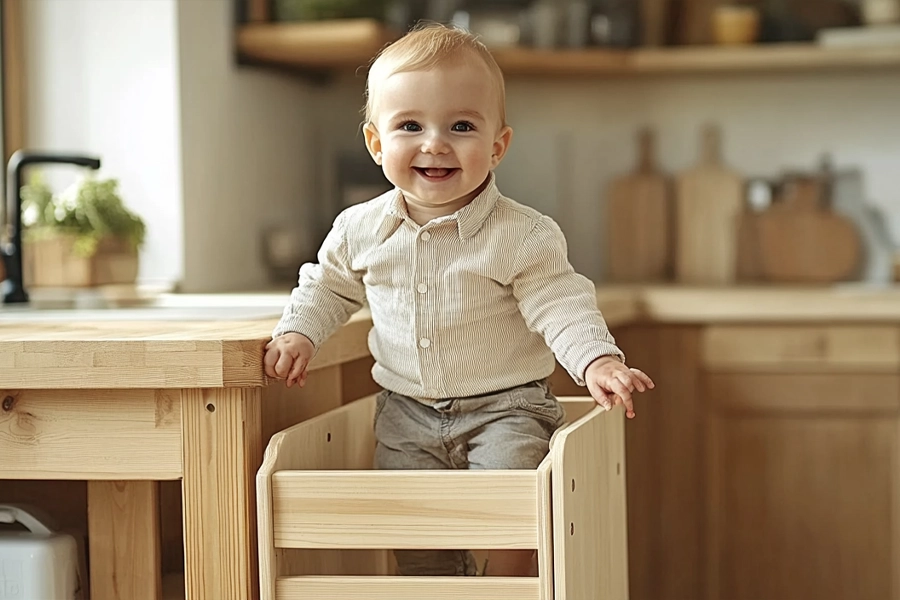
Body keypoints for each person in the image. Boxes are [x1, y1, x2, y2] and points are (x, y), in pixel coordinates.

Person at [264, 22, 654, 578]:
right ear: (377, 144)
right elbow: (327, 285)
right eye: (409, 126)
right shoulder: (359, 229)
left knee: (519, 513)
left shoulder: (524, 234)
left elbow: (560, 302)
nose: (435, 143)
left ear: (497, 146)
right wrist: (298, 332)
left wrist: (597, 358)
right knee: (417, 540)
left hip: (507, 409)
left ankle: (507, 586)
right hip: (404, 415)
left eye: (462, 125)